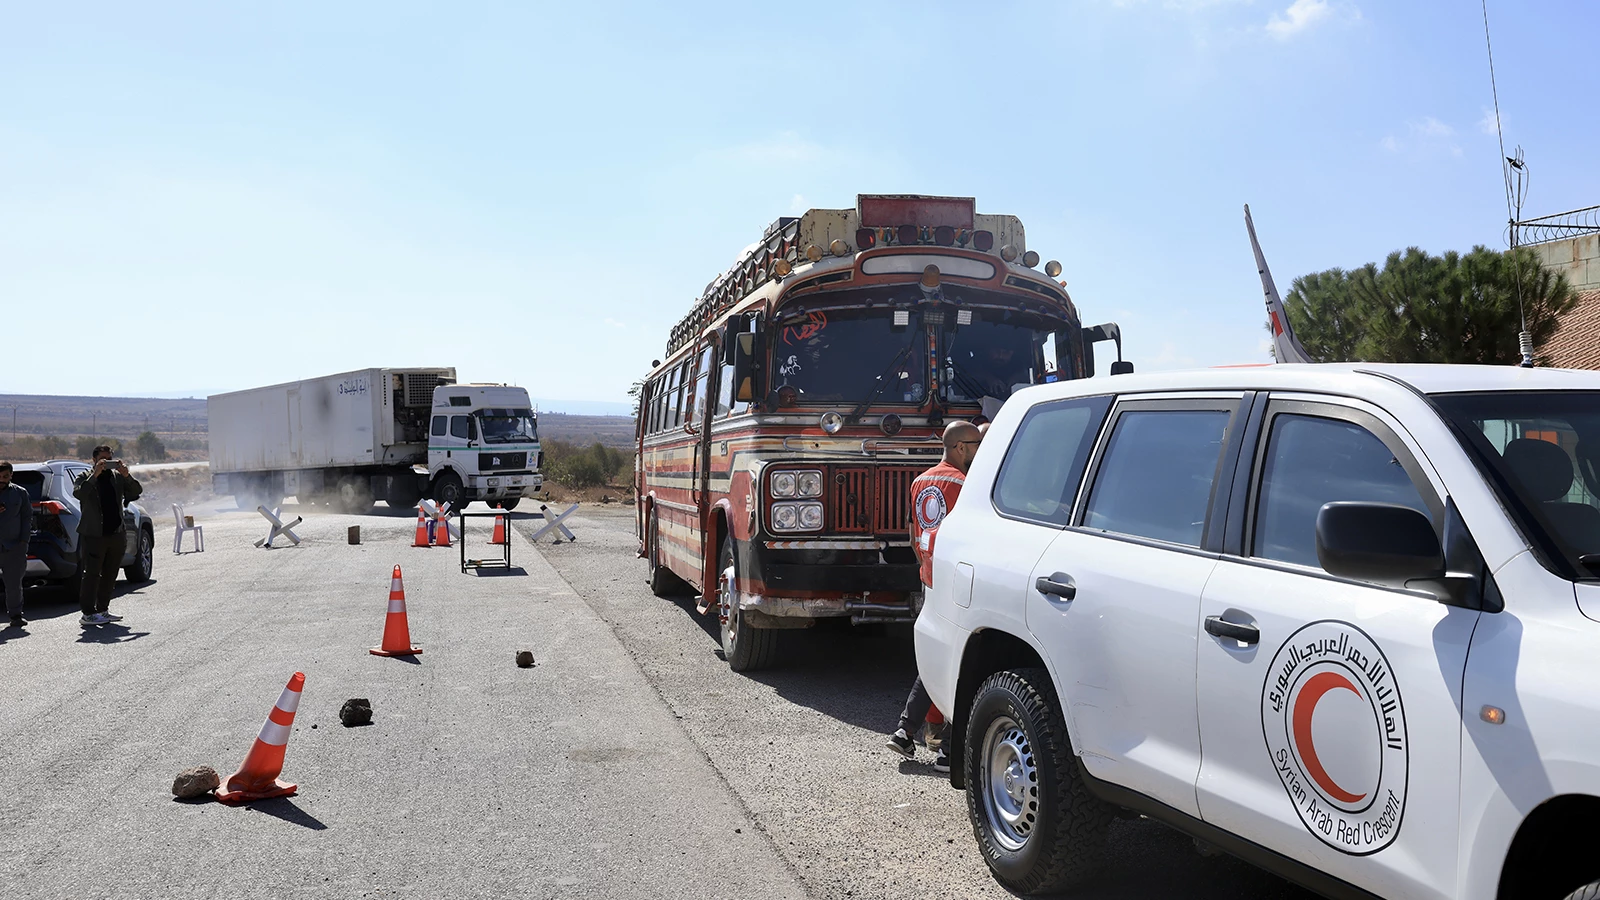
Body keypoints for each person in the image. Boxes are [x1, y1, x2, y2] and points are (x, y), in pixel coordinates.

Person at [886, 420, 984, 772]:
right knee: (960, 661)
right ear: (961, 447)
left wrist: (927, 569)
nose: (981, 450)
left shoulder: (920, 481)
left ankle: (906, 731)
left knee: (937, 656)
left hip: (930, 577)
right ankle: (945, 750)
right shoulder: (966, 485)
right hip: (958, 582)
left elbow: (914, 535)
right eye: (977, 444)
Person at [72, 446, 142, 626]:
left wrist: (126, 475)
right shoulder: (84, 477)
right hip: (94, 534)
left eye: (109, 459)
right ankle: (88, 613)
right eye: (103, 459)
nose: (107, 462)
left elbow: (135, 492)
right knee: (92, 574)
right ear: (94, 460)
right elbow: (80, 493)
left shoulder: (116, 477)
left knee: (110, 574)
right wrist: (95, 475)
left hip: (116, 533)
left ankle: (103, 609)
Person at [0, 461, 33, 629]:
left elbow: (27, 518)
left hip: (14, 547)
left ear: (11, 475)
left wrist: (23, 542)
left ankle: (15, 615)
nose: (1, 480)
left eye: (5, 476)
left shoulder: (20, 493)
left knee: (14, 584)